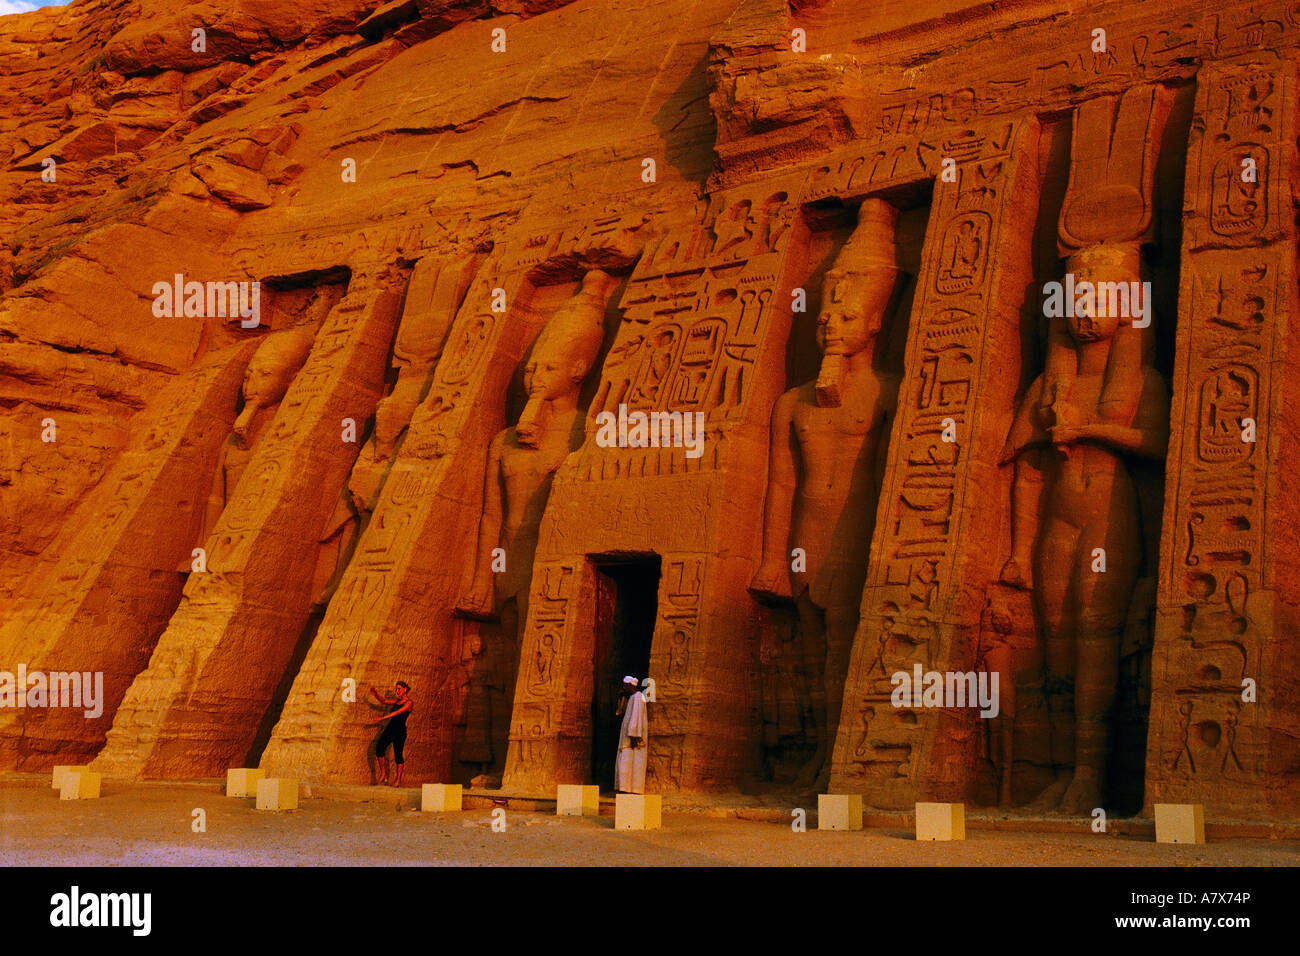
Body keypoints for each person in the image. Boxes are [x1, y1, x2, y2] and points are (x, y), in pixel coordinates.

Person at [369, 681, 413, 787]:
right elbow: (384, 701)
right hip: (390, 728)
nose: (397, 691)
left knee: (398, 755)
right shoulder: (397, 701)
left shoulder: (409, 703)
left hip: (400, 731)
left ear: (405, 689)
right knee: (379, 748)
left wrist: (382, 718)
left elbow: (397, 713)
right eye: (396, 689)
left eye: (399, 689)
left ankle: (398, 780)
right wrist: (376, 695)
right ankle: (383, 773)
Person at [614, 676, 650, 794]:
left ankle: (631, 789)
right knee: (626, 762)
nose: (624, 688)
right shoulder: (632, 698)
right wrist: (621, 698)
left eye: (625, 686)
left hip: (632, 737)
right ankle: (625, 788)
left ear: (630, 685)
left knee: (631, 763)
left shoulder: (638, 697)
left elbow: (636, 717)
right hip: (627, 737)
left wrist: (634, 735)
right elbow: (620, 712)